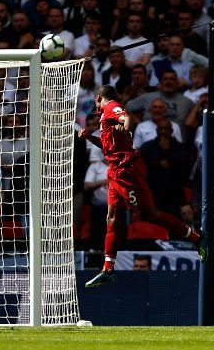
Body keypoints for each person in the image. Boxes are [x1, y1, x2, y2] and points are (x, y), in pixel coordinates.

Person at [78, 85, 203, 288]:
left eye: (96, 100)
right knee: (112, 217)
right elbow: (109, 146)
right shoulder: (103, 119)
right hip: (115, 170)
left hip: (127, 170)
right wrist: (89, 138)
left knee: (149, 215)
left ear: (99, 97)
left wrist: (126, 125)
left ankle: (197, 238)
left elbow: (125, 118)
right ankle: (108, 268)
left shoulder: (111, 107)